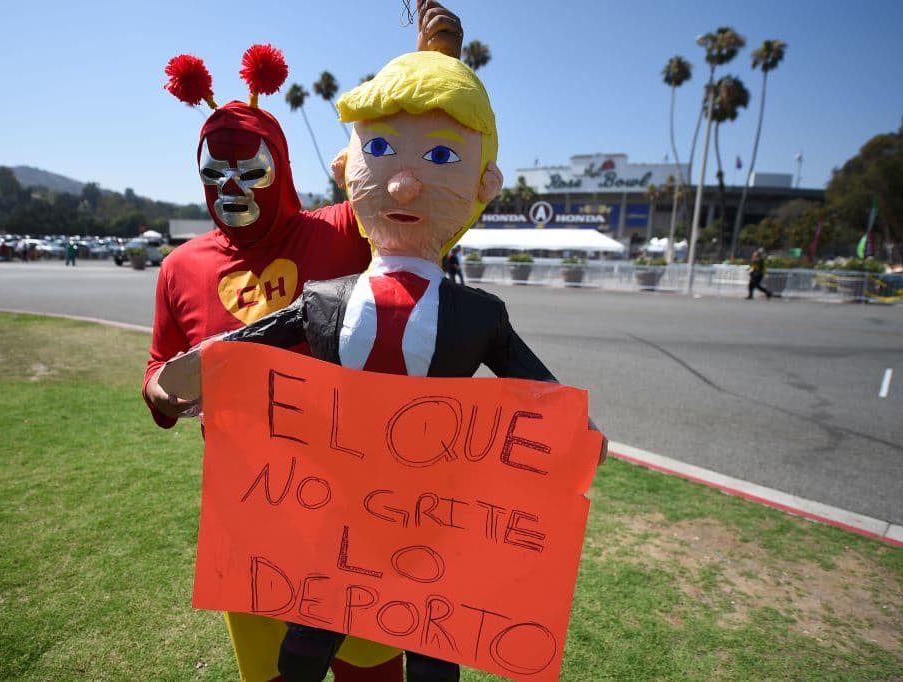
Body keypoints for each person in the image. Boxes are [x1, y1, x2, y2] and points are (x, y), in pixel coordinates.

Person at [181, 49, 608, 682]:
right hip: (331, 522)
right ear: (345, 168)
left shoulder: (478, 316)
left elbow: (539, 394)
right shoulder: (324, 301)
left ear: (485, 184)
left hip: (436, 531)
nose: (405, 184)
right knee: (302, 651)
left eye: (440, 158)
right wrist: (191, 376)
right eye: (380, 152)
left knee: (433, 662)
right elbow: (244, 349)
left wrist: (576, 438)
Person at [143, 5, 465, 681]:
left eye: (250, 170)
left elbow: (419, 195)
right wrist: (166, 390)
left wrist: (434, 70)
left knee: (367, 670)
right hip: (252, 522)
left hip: (356, 517)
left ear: (281, 165)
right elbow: (158, 378)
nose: (231, 189)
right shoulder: (181, 266)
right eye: (215, 172)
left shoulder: (340, 231)